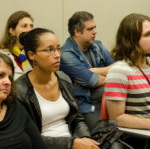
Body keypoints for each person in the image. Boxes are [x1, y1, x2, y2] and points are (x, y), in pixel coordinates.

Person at [16, 28, 100, 149]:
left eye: (58, 49)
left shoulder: (63, 78)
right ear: (32, 55)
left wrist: (85, 139)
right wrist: (71, 144)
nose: (57, 55)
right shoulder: (20, 89)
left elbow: (77, 118)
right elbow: (26, 137)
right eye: (50, 50)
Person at [60, 11, 114, 131]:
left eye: (95, 27)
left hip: (109, 100)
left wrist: (92, 70)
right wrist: (106, 73)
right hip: (88, 105)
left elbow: (117, 71)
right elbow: (92, 81)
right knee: (104, 137)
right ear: (77, 32)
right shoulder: (66, 55)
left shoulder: (97, 46)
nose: (95, 31)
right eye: (90, 29)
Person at [105, 13, 150, 148]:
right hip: (140, 139)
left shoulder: (148, 64)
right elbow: (117, 118)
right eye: (147, 35)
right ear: (131, 40)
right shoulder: (119, 71)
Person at [0, 52, 47, 149]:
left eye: (10, 77)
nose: (8, 82)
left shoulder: (15, 107)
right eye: (1, 75)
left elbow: (40, 145)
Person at [0, 11, 33, 80]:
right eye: (24, 26)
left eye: (31, 26)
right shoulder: (2, 55)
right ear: (12, 31)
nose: (30, 30)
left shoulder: (34, 53)